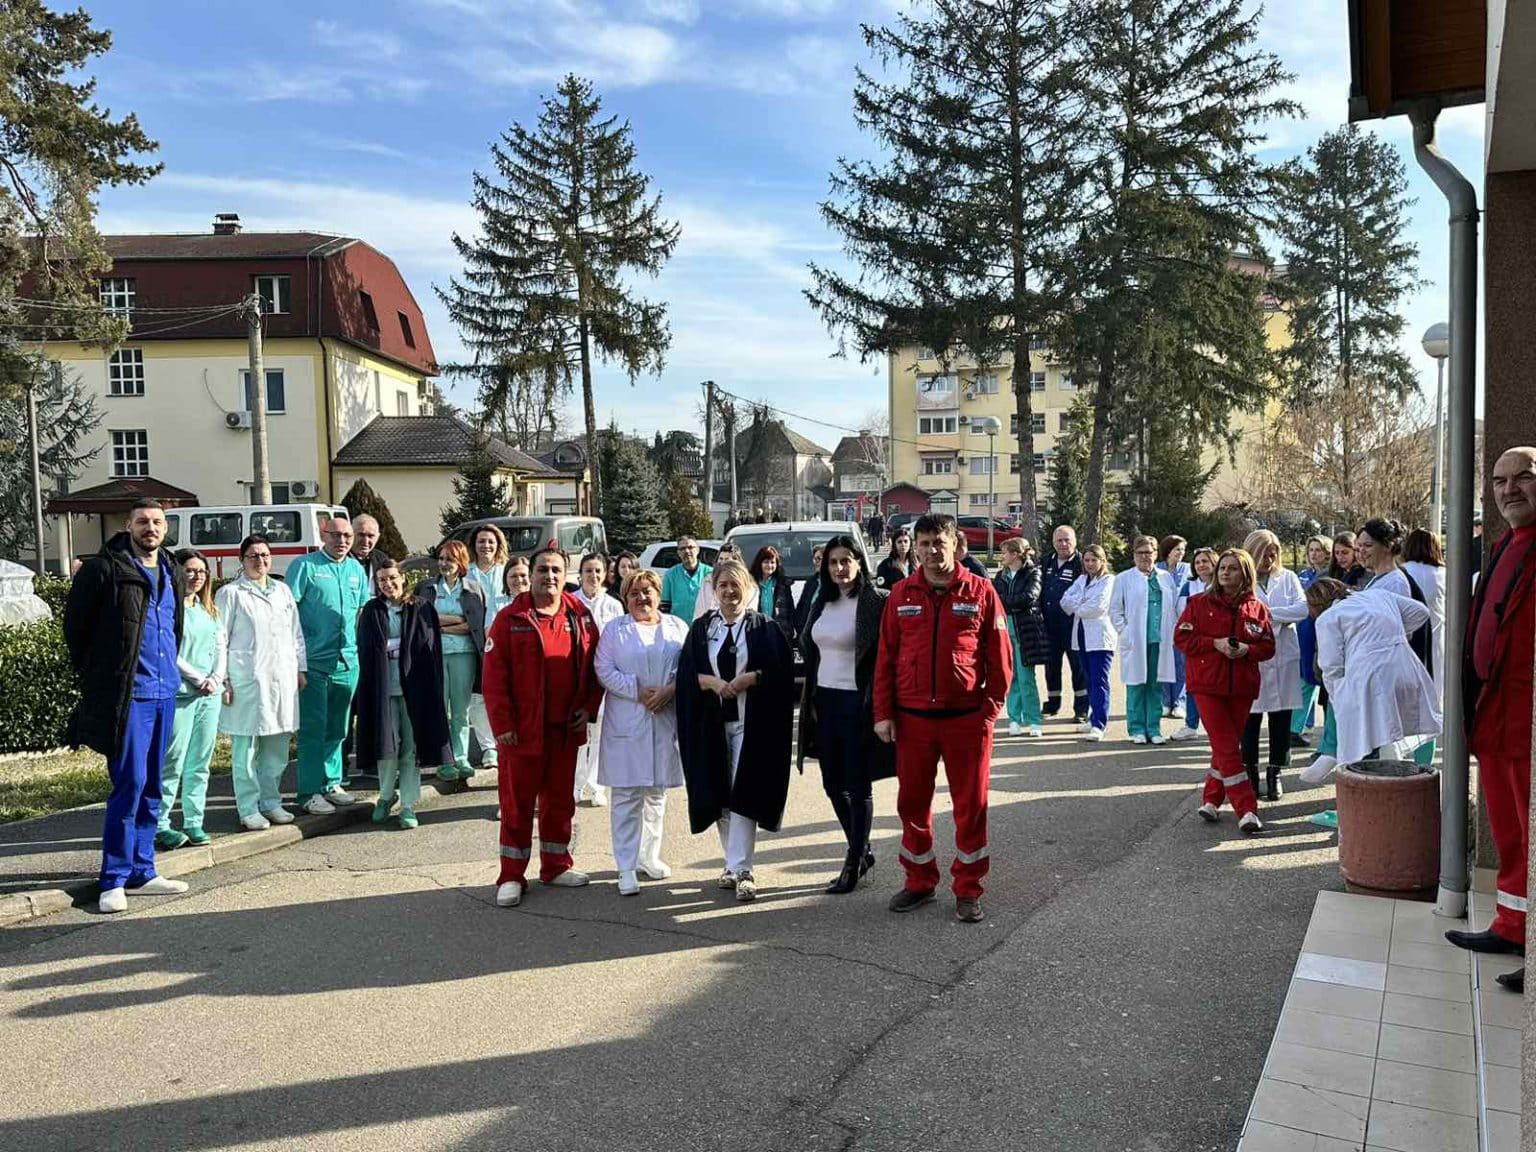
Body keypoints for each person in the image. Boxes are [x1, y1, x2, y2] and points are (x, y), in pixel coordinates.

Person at [873, 513, 1011, 923]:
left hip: (966, 719)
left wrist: (989, 712)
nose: (932, 551)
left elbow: (1000, 659)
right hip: (912, 720)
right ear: (915, 548)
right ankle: (919, 880)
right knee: (912, 804)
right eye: (925, 544)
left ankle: (968, 888)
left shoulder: (982, 591)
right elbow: (885, 658)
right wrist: (883, 714)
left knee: (971, 806)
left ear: (955, 545)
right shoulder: (901, 594)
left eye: (939, 543)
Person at [63, 498, 192, 913]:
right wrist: (102, 675)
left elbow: (175, 627)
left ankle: (143, 869)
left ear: (166, 528)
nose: (150, 528)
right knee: (130, 783)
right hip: (130, 695)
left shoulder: (172, 569)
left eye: (156, 522)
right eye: (142, 522)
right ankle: (113, 878)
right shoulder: (105, 569)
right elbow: (76, 629)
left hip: (164, 690)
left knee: (154, 784)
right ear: (128, 525)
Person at [1446, 447, 1536, 989]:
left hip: (1525, 721)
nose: (1509, 489)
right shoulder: (1507, 543)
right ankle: (1511, 924)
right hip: (1496, 718)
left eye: (1523, 477)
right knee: (1509, 831)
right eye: (1500, 481)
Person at [482, 548, 605, 908]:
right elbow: (493, 678)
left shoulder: (580, 616)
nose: (549, 576)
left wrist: (588, 708)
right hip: (521, 733)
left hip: (564, 731)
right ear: (531, 574)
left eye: (556, 570)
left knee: (560, 803)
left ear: (565, 576)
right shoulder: (510, 619)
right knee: (517, 806)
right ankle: (511, 875)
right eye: (542, 570)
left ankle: (555, 865)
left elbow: (595, 666)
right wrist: (503, 724)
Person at [677, 560, 796, 902]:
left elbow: (782, 672)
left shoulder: (764, 628)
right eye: (723, 585)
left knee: (744, 789)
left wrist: (753, 678)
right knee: (720, 791)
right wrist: (709, 682)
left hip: (752, 723)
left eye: (735, 584)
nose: (730, 591)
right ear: (714, 589)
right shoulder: (702, 629)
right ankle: (732, 864)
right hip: (712, 724)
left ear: (748, 587)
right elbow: (686, 675)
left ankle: (743, 868)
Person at [798, 535, 893, 894]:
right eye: (833, 562)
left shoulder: (876, 601)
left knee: (857, 783)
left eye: (845, 561)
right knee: (831, 784)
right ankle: (862, 850)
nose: (839, 568)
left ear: (858, 562)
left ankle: (853, 862)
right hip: (823, 702)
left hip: (858, 703)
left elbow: (888, 655)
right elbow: (810, 647)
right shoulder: (821, 599)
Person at [594, 568, 690, 895]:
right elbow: (603, 668)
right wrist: (636, 690)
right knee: (626, 797)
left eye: (647, 591)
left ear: (658, 595)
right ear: (625, 598)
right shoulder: (614, 630)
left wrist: (670, 690)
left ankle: (649, 856)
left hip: (664, 718)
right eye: (634, 593)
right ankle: (626, 866)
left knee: (656, 794)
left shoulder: (677, 627)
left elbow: (688, 667)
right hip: (627, 719)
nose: (641, 598)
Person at [1175, 548, 1276, 834]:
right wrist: (1215, 643)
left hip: (1241, 687)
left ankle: (1211, 799)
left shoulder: (1257, 608)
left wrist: (1246, 649)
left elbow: (1268, 647)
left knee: (1226, 745)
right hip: (1207, 685)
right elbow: (1182, 638)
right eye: (1222, 568)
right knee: (1228, 746)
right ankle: (1246, 808)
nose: (1225, 573)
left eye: (1232, 568)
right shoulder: (1198, 603)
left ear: (1245, 574)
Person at [1299, 580, 1439, 783]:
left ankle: (1363, 783)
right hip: (1406, 667)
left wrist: (1337, 698)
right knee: (1391, 729)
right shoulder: (1379, 595)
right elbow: (1421, 612)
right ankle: (1391, 773)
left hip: (1367, 676)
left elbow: (1331, 666)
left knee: (1363, 735)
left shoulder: (1328, 618)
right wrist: (1393, 632)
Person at [355, 558, 452, 830]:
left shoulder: (420, 607)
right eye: (382, 580)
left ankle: (408, 804)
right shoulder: (372, 610)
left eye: (392, 578)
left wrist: (392, 646)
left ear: (403, 579)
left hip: (415, 688)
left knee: (410, 747)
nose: (388, 584)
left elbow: (427, 646)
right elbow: (367, 647)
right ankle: (386, 795)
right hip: (383, 688)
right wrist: (396, 647)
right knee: (387, 746)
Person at [216, 535, 304, 832]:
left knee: (277, 746)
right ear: (241, 560)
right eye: (253, 555)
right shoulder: (230, 593)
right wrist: (224, 679)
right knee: (247, 749)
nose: (260, 560)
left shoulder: (282, 590)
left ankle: (271, 801)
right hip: (247, 681)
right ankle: (248, 807)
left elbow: (295, 633)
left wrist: (300, 668)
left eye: (265, 555)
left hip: (282, 677)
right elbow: (220, 638)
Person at [287, 517, 368, 814]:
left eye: (348, 536)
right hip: (313, 662)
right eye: (336, 535)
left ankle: (331, 782)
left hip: (347, 661)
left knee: (338, 727)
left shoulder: (356, 570)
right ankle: (309, 792)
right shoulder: (305, 566)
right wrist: (296, 661)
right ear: (324, 535)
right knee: (313, 728)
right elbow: (288, 613)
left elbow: (360, 612)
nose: (342, 541)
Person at [155, 548, 226, 851]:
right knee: (172, 761)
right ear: (177, 572)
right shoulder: (169, 608)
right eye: (190, 570)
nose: (196, 576)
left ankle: (194, 820)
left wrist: (217, 678)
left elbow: (220, 646)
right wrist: (199, 679)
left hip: (210, 695)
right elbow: (170, 651)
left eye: (201, 571)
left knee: (200, 763)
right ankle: (160, 823)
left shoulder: (208, 608)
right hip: (183, 693)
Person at [1243, 529, 1307, 801]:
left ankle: (1275, 772)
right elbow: (1240, 615)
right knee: (1250, 719)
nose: (1269, 560)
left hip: (1283, 655)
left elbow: (1302, 609)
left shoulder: (1288, 577)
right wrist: (1279, 617)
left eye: (1273, 554)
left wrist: (1266, 615)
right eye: (1264, 555)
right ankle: (1250, 773)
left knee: (1281, 718)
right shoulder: (1242, 579)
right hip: (1252, 655)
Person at [418, 540, 488, 783]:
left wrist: (441, 624)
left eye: (450, 559)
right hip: (434, 655)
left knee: (460, 710)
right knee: (439, 709)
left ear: (461, 563)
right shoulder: (427, 588)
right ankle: (444, 759)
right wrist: (456, 621)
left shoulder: (473, 588)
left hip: (464, 655)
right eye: (441, 558)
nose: (444, 563)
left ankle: (460, 757)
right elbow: (424, 621)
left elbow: (474, 625)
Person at [1109, 535, 1180, 745]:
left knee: (1155, 685)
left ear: (1156, 554)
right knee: (1136, 684)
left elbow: (1174, 607)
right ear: (1133, 555)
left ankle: (1154, 728)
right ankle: (1137, 728)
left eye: (1149, 552)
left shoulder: (1165, 578)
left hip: (1160, 640)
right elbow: (1115, 609)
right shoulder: (1124, 578)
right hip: (1136, 640)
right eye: (1140, 553)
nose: (1144, 557)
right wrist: (1125, 632)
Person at [572, 551, 625, 807]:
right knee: (579, 736)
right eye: (588, 571)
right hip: (577, 676)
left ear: (604, 575)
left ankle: (597, 786)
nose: (592, 576)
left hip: (604, 677)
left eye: (597, 571)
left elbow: (618, 642)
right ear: (580, 574)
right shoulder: (571, 601)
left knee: (601, 735)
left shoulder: (613, 605)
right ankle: (576, 785)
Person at [465, 525, 511, 775]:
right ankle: (487, 747)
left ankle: (503, 738)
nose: (486, 546)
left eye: (491, 541)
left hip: (503, 642)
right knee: (477, 695)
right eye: (481, 541)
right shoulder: (466, 572)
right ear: (474, 545)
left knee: (502, 693)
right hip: (471, 640)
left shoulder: (506, 571)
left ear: (498, 544)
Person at [1060, 545, 1117, 742]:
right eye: (1087, 560)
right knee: (1089, 679)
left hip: (1100, 637)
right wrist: (1081, 603)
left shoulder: (1109, 581)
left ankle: (1099, 724)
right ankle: (1093, 718)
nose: (1090, 564)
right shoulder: (1082, 580)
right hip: (1082, 634)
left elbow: (1097, 607)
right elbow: (1064, 601)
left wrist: (1078, 605)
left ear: (1102, 561)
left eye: (1094, 560)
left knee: (1099, 680)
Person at [993, 538, 1049, 737]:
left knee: (1026, 678)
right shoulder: (1000, 576)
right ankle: (1014, 719)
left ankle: (1033, 720)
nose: (1002, 556)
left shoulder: (1033, 572)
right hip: (1004, 631)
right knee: (1011, 677)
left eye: (1005, 552)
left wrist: (1008, 603)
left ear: (1016, 554)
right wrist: (1010, 603)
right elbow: (995, 599)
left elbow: (1029, 597)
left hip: (1025, 631)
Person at [1041, 525, 1088, 722]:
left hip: (1073, 626)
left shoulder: (1082, 563)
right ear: (1053, 542)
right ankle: (1052, 704)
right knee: (1051, 667)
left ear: (1074, 541)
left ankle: (1081, 709)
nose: (1063, 544)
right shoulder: (1046, 561)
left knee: (1078, 667)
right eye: (1059, 540)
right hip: (1049, 626)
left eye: (1067, 540)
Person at [1170, 547, 1217, 742]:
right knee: (1193, 683)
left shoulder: (1222, 584)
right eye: (1197, 562)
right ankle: (1191, 725)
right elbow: (1182, 612)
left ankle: (1216, 726)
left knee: (1215, 685)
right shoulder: (1188, 586)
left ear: (1214, 562)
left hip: (1217, 643)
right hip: (1196, 643)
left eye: (1205, 561)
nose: (1201, 565)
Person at [1292, 535, 1334, 744]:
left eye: (1319, 550)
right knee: (1305, 677)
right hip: (1304, 629)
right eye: (1311, 550)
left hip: (1321, 629)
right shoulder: (1303, 575)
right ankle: (1299, 725)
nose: (1314, 554)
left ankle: (1297, 727)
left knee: (1313, 678)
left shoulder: (1330, 576)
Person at [1402, 529, 1447, 705]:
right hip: (1438, 635)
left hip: (1408, 637)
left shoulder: (1402, 573)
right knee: (1437, 689)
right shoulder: (1444, 574)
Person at [1158, 536, 1191, 719]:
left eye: (1183, 549)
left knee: (1180, 663)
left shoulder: (1188, 569)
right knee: (1163, 662)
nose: (1181, 553)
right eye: (1177, 549)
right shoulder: (1157, 569)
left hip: (1182, 623)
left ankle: (1179, 702)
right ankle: (1165, 701)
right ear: (1168, 550)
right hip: (1162, 623)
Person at [749, 544, 797, 641]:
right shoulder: (750, 583)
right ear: (759, 563)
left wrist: (791, 630)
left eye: (772, 562)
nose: (769, 565)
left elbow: (790, 610)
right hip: (756, 633)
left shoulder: (783, 584)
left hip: (780, 633)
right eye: (766, 562)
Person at [660, 536, 712, 622]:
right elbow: (665, 606)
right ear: (678, 553)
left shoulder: (710, 573)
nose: (687, 551)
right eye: (682, 548)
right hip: (678, 626)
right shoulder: (670, 574)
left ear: (698, 550)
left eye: (690, 547)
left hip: (705, 625)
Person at [793, 544, 827, 637]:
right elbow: (801, 607)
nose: (816, 562)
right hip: (807, 636)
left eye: (819, 559)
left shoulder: (837, 584)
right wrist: (800, 629)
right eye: (814, 559)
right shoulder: (811, 581)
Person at [349, 514, 393, 585]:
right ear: (351, 534)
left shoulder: (381, 559)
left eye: (371, 536)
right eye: (361, 535)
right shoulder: (340, 559)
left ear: (377, 537)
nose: (365, 541)